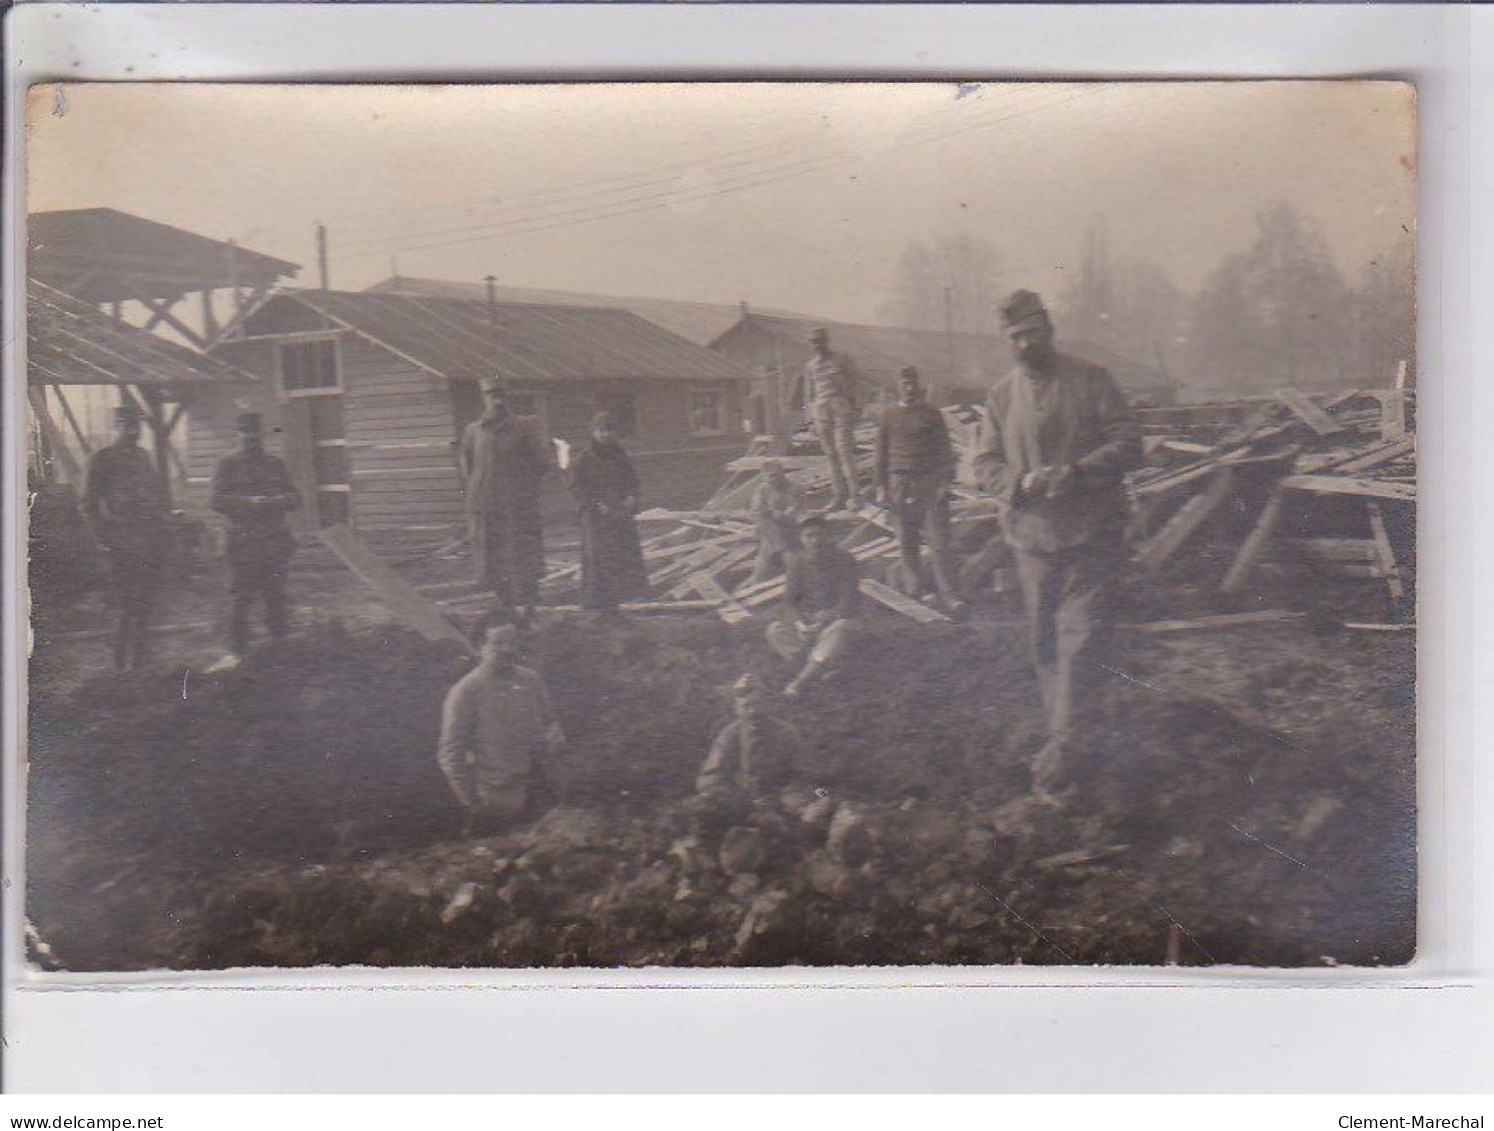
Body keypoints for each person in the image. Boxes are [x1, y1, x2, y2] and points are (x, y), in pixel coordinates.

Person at [974, 290, 1142, 796]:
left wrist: (1078, 472)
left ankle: (1066, 751)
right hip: (1031, 539)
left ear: (1049, 329)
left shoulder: (1091, 380)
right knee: (1045, 642)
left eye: (1032, 333)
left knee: (1081, 637)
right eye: (1014, 337)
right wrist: (1016, 483)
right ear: (1006, 341)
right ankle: (1066, 736)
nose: (1025, 344)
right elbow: (983, 464)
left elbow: (1130, 443)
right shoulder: (1001, 397)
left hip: (1090, 532)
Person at [437, 624, 565, 833]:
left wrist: (555, 740)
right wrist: (474, 802)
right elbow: (450, 755)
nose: (507, 649)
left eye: (512, 642)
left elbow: (551, 721)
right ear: (479, 647)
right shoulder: (466, 691)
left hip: (542, 794)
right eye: (497, 643)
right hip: (500, 801)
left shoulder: (531, 680)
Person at [82, 403, 173, 671]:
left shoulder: (144, 457)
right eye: (127, 425)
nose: (134, 430)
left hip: (148, 544)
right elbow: (88, 504)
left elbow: (156, 498)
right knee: (126, 607)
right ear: (117, 426)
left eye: (137, 425)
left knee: (145, 606)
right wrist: (104, 539)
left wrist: (164, 527)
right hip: (121, 545)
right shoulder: (102, 459)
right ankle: (121, 667)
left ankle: (141, 665)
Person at [210, 412, 300, 668]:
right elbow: (215, 501)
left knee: (276, 598)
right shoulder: (227, 464)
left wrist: (277, 501)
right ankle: (238, 654)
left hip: (273, 543)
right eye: (245, 433)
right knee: (240, 600)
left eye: (255, 434)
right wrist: (248, 503)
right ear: (237, 435)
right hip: (243, 544)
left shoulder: (275, 464)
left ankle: (281, 652)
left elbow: (295, 496)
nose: (251, 439)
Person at [457, 376, 551, 622]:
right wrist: (478, 491)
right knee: (493, 558)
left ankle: (530, 609)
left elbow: (541, 463)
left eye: (500, 395)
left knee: (523, 555)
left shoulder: (524, 426)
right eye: (491, 395)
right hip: (487, 506)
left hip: (518, 506)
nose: (496, 400)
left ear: (507, 397)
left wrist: (521, 489)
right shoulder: (474, 431)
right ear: (484, 397)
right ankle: (506, 608)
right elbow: (466, 465)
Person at [875, 366, 965, 613]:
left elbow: (945, 450)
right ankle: (916, 592)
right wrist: (881, 488)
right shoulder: (889, 415)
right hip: (899, 484)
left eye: (913, 382)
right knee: (906, 539)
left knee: (939, 541)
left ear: (918, 384)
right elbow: (881, 454)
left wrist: (945, 482)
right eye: (905, 382)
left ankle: (950, 596)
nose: (910, 387)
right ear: (898, 386)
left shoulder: (932, 413)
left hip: (929, 483)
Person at [688, 672, 805, 847]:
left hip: (778, 807)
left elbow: (809, 781)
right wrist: (740, 803)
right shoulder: (730, 735)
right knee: (701, 805)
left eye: (757, 704)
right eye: (746, 706)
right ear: (737, 708)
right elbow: (709, 781)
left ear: (767, 703)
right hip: (738, 809)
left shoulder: (787, 734)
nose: (752, 711)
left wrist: (791, 798)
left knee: (815, 810)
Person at [767, 513, 862, 698]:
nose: (815, 541)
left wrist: (829, 616)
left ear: (828, 536)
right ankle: (816, 667)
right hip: (809, 624)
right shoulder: (797, 561)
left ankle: (801, 681)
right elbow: (789, 601)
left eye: (819, 535)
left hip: (837, 621)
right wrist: (799, 624)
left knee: (841, 629)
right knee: (775, 630)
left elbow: (849, 599)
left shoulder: (844, 559)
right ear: (802, 539)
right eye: (809, 536)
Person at [568, 411, 648, 618]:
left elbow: (633, 481)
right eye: (601, 430)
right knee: (597, 556)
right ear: (593, 432)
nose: (605, 435)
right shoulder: (585, 458)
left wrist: (631, 497)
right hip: (595, 517)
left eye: (609, 430)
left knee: (625, 552)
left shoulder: (620, 456)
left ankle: (629, 595)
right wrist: (594, 505)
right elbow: (576, 487)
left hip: (620, 512)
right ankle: (595, 600)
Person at [791, 326, 863, 511]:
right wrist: (810, 419)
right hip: (821, 412)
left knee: (845, 452)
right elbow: (808, 394)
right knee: (831, 456)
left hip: (840, 408)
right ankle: (838, 497)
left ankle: (855, 496)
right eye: (813, 342)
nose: (817, 345)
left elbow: (855, 385)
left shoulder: (841, 360)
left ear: (826, 341)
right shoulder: (810, 366)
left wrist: (857, 408)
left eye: (820, 341)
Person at [747, 459, 803, 584]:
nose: (773, 479)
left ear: (782, 473)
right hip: (771, 532)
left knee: (795, 569)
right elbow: (756, 510)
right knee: (758, 578)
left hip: (790, 532)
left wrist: (779, 515)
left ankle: (782, 553)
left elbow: (795, 510)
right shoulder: (763, 488)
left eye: (775, 475)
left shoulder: (794, 488)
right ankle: (779, 551)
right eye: (769, 477)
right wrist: (770, 514)